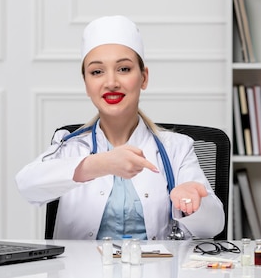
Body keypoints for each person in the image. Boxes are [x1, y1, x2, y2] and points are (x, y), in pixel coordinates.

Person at [16, 15, 224, 240]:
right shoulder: (69, 145)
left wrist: (193, 202)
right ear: (86, 83)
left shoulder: (177, 148)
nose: (111, 82)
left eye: (124, 69)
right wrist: (98, 164)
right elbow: (27, 185)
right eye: (97, 72)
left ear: (144, 78)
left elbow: (214, 226)